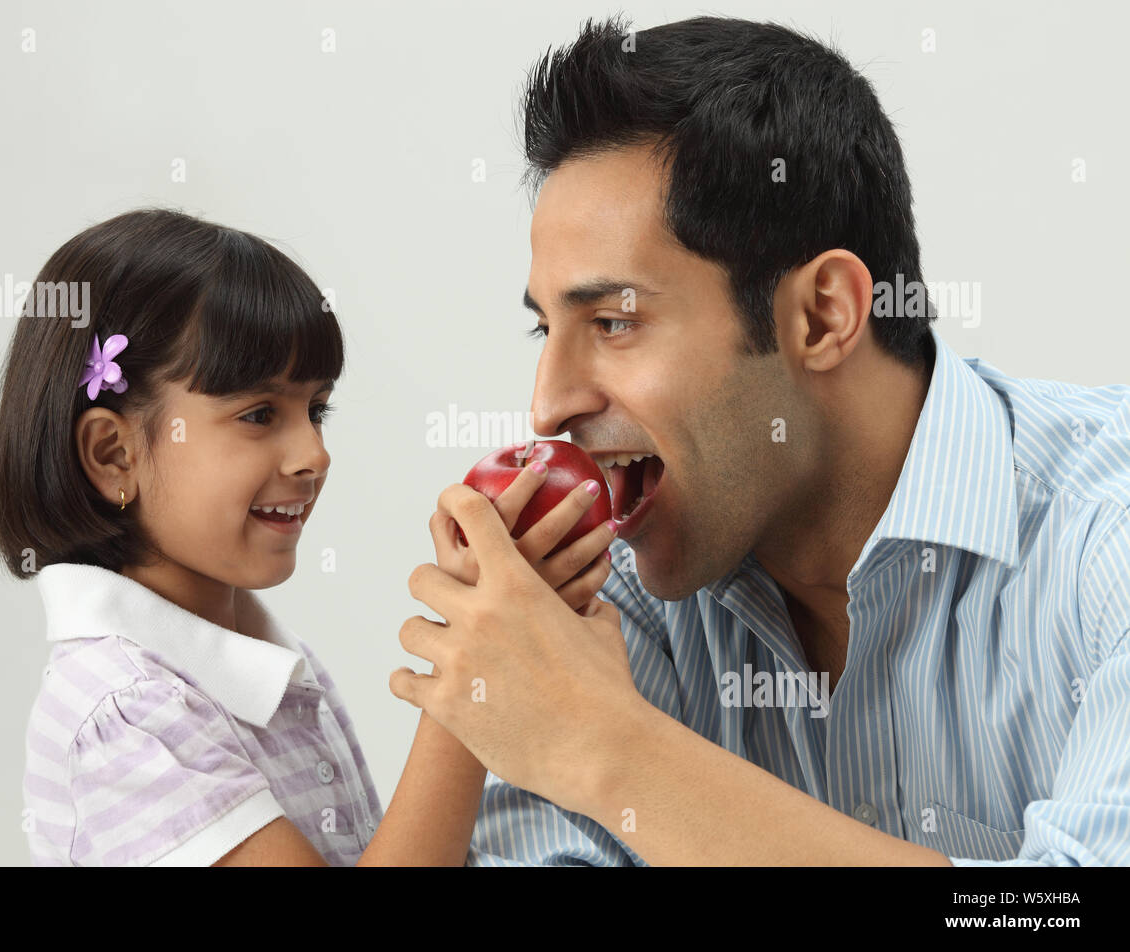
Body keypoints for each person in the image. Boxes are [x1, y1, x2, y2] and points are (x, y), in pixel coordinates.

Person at [392, 15, 1130, 865]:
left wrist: (610, 749)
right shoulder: (618, 607)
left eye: (616, 321)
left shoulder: (1099, 538)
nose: (547, 405)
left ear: (822, 316)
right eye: (546, 331)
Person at [0, 208, 616, 865]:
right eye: (259, 414)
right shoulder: (125, 718)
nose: (313, 453)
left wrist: (498, 641)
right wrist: (470, 679)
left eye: (317, 409)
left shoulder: (266, 664)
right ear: (113, 455)